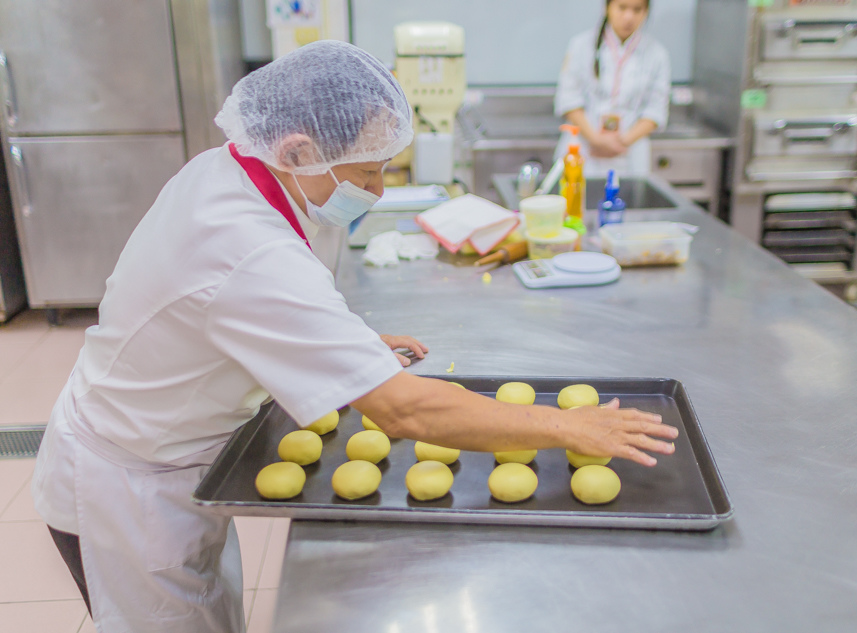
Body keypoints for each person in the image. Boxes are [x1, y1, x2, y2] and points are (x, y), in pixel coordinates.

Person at [31, 41, 678, 633]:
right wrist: (567, 429)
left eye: (385, 168)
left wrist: (347, 338)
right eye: (367, 173)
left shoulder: (239, 170)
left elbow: (246, 307)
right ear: (296, 150)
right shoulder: (244, 245)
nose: (377, 189)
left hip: (183, 457)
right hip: (129, 489)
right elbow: (405, 408)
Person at [554, 0, 671, 177]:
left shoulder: (657, 54)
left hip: (630, 153)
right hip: (585, 148)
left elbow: (655, 111)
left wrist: (621, 143)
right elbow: (569, 100)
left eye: (637, 9)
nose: (628, 17)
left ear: (646, 12)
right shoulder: (580, 45)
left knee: (629, 201)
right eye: (622, 8)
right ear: (607, 8)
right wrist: (595, 139)